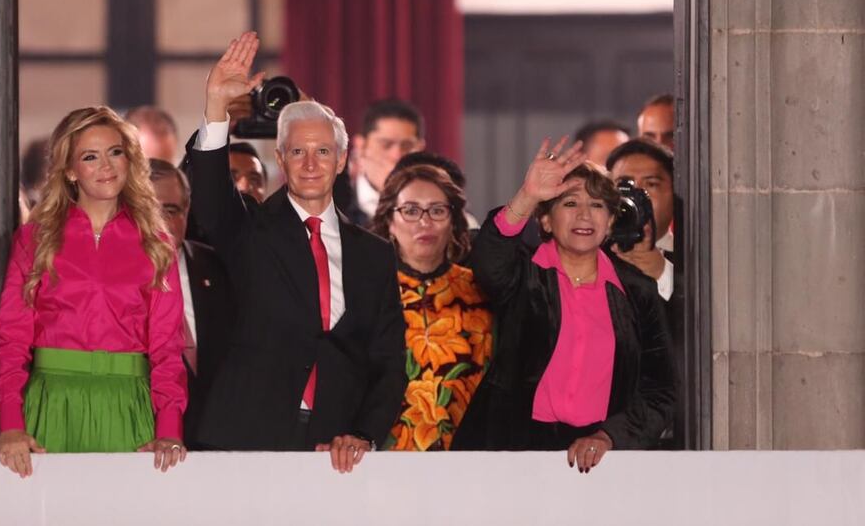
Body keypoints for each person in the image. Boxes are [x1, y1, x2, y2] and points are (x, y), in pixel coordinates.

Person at [186, 31, 406, 473]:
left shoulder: (375, 255)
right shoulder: (249, 229)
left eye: (322, 151)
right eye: (298, 152)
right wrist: (216, 107)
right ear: (281, 159)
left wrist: (364, 433)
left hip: (335, 448)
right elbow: (210, 199)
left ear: (341, 161)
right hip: (245, 439)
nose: (310, 164)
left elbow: (388, 362)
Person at [452, 138, 675, 473]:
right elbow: (487, 262)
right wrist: (527, 196)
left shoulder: (638, 291)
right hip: (509, 454)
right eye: (570, 203)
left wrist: (610, 436)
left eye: (597, 205)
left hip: (601, 461)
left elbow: (660, 390)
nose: (584, 215)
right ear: (545, 220)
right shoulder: (522, 275)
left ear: (610, 223)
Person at [0, 107, 188, 478]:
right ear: (69, 169)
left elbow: (167, 348)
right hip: (51, 404)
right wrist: (11, 424)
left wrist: (169, 429)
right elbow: (10, 341)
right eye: (90, 157)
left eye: (115, 152)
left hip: (129, 405)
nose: (106, 166)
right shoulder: (35, 239)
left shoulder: (156, 242)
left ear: (129, 160)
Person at [370, 165, 492, 451]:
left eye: (437, 211)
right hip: (382, 458)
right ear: (389, 221)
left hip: (471, 457)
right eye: (411, 211)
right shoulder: (367, 291)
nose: (424, 222)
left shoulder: (481, 291)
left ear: (454, 221)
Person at [149, 159, 237, 449]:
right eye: (149, 210)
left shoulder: (222, 268)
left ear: (187, 211)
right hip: (146, 446)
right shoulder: (114, 281)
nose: (160, 222)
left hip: (222, 448)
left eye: (170, 210)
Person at [606, 138, 677, 300]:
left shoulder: (696, 260)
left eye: (651, 184)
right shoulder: (590, 254)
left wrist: (661, 271)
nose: (636, 197)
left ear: (675, 192)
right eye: (625, 185)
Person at [340, 99, 426, 226]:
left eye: (407, 146)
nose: (397, 156)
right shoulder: (334, 207)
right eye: (386, 144)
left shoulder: (436, 209)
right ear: (361, 146)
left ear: (420, 149)